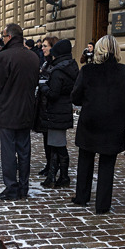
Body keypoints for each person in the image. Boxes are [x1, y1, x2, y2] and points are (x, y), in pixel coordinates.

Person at [70, 35, 125, 213]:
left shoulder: (88, 71)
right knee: (107, 165)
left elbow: (76, 96)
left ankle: (82, 197)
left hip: (91, 119)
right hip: (113, 122)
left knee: (85, 160)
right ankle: (102, 204)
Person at [0, 23, 40, 200]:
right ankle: (23, 187)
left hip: (7, 110)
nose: (2, 40)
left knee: (9, 150)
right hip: (26, 109)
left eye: (3, 36)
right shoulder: (33, 56)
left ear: (9, 37)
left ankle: (11, 187)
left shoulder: (5, 56)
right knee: (24, 150)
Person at [39, 39, 78, 188]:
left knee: (59, 146)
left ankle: (62, 177)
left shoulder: (58, 70)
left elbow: (53, 94)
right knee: (57, 144)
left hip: (56, 111)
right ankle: (55, 176)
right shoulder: (72, 66)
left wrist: (43, 88)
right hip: (64, 109)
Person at [34, 35, 59, 178]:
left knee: (52, 139)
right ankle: (48, 164)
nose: (42, 48)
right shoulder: (46, 62)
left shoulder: (55, 64)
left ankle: (53, 167)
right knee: (45, 137)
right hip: (43, 105)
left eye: (45, 46)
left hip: (51, 105)